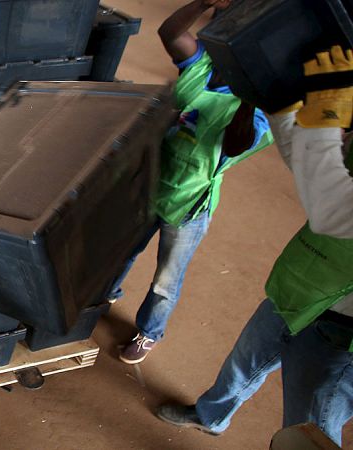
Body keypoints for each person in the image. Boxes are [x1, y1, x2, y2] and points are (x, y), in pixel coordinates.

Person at [156, 45, 353, 446]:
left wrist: (327, 115)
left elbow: (331, 209)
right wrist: (283, 106)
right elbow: (309, 163)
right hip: (302, 285)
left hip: (341, 333)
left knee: (308, 431)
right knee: (244, 363)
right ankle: (211, 416)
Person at [108, 0, 273, 364]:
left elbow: (234, 143)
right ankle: (105, 295)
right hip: (154, 181)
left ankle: (149, 332)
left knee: (166, 278)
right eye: (216, 28)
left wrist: (250, 96)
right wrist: (203, 2)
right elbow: (170, 32)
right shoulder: (202, 66)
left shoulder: (258, 107)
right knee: (123, 249)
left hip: (189, 203)